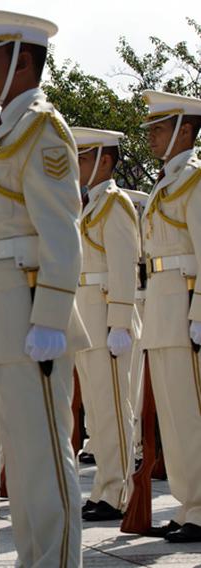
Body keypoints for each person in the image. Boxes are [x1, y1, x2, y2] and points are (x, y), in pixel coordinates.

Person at [0, 9, 89, 567]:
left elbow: (62, 228)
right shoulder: (5, 133)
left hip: (29, 311)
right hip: (0, 314)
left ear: (21, 61)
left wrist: (52, 317)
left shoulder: (42, 129)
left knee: (44, 462)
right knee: (20, 457)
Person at [139, 90, 201, 543]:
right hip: (161, 311)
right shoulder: (168, 183)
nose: (152, 137)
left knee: (192, 416)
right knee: (175, 420)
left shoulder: (195, 182)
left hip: (184, 308)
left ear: (185, 129)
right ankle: (188, 505)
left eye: (159, 128)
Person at [71, 128, 140, 523]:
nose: (78, 166)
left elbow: (123, 266)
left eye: (84, 158)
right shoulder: (87, 206)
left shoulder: (114, 205)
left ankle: (118, 492)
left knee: (114, 410)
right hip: (87, 319)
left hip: (106, 320)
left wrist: (120, 320)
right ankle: (104, 488)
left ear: (105, 161)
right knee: (97, 416)